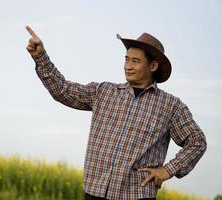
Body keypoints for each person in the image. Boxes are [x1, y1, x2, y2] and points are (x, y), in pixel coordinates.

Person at [25, 25, 207, 200]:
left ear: (153, 66)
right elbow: (63, 90)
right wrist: (41, 57)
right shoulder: (103, 92)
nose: (128, 66)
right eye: (126, 59)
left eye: (135, 61)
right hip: (94, 192)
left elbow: (197, 142)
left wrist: (168, 170)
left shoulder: (171, 106)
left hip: (137, 195)